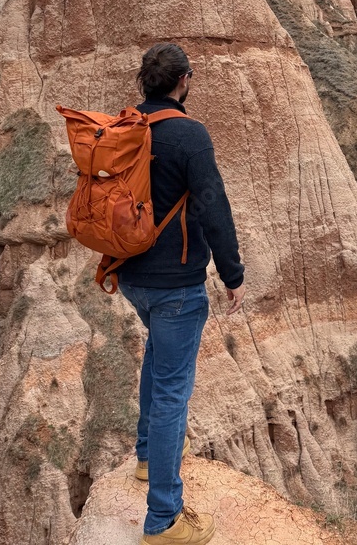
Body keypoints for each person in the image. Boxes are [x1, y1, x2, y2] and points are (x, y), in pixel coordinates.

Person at [118, 42, 245, 545]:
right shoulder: (189, 135)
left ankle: (147, 456)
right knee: (173, 394)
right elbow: (214, 207)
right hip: (176, 286)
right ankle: (164, 520)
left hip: (132, 278)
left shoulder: (127, 128)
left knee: (156, 357)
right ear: (184, 81)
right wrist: (232, 275)